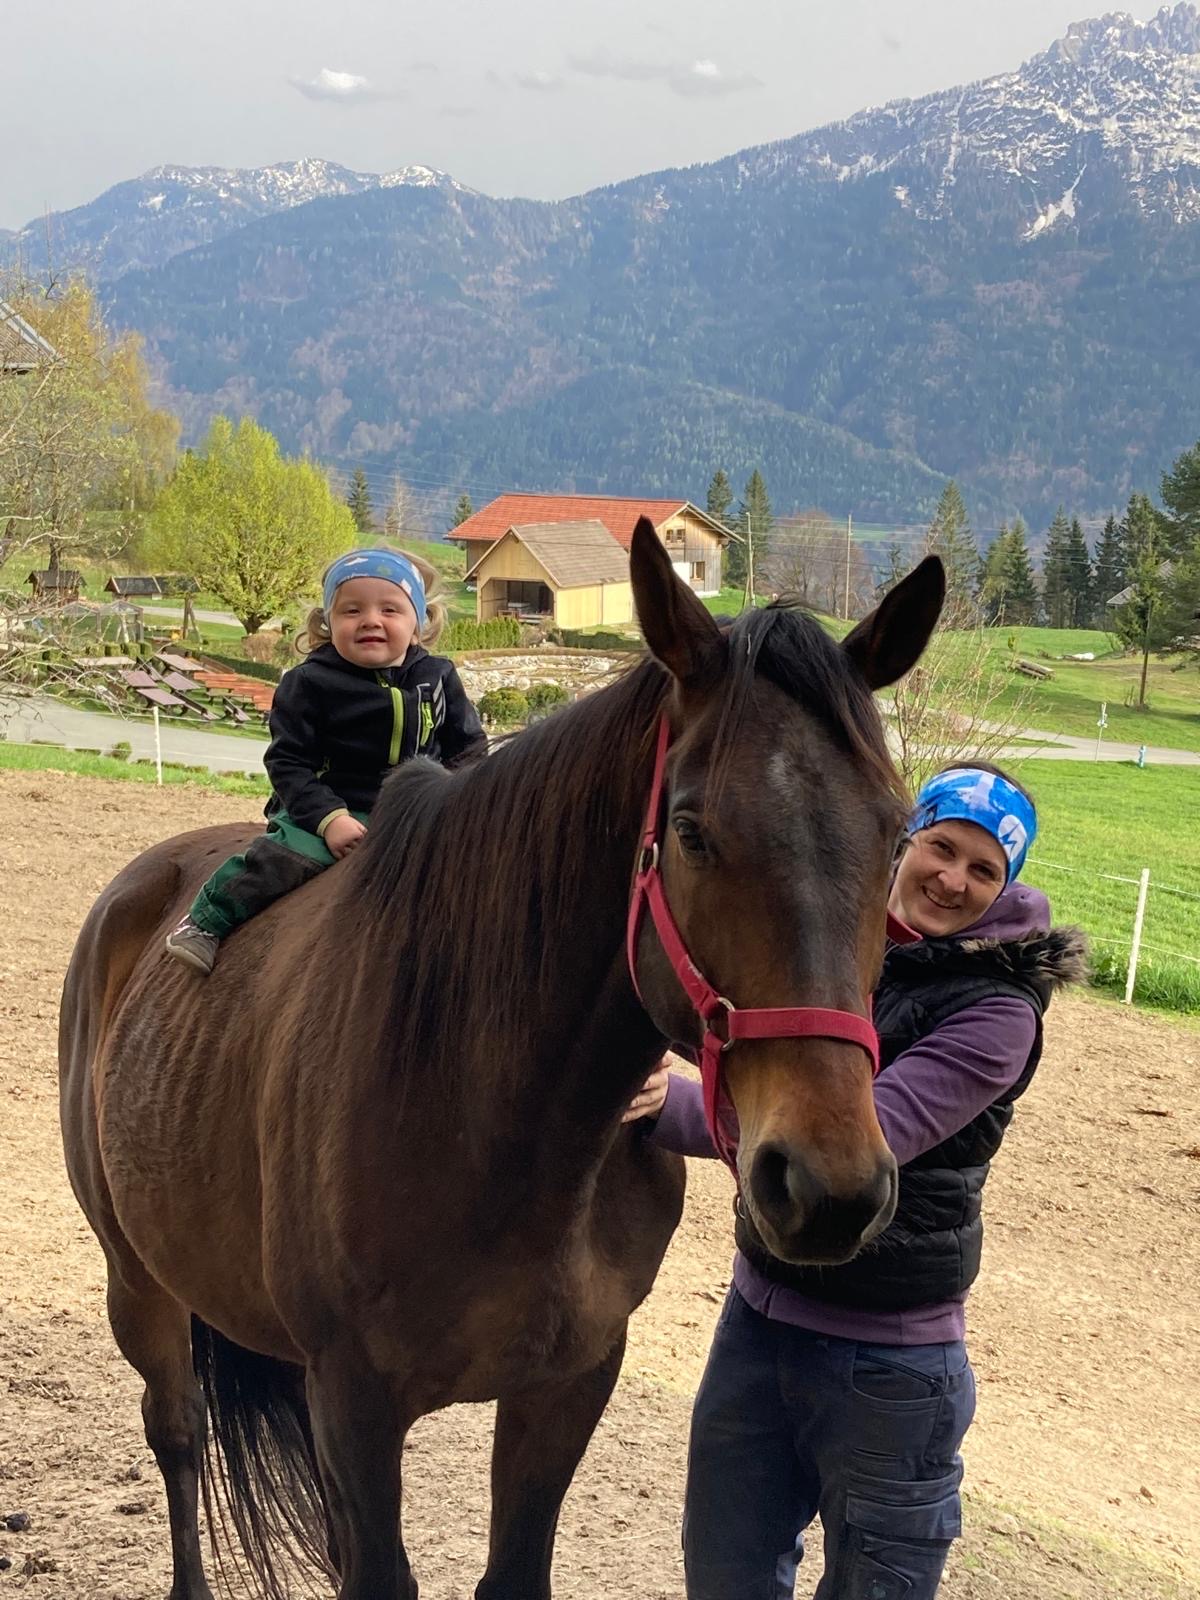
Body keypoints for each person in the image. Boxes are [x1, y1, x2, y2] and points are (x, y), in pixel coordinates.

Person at [629, 762, 1087, 1600]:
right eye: (941, 848)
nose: (952, 879)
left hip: (891, 1365)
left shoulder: (999, 1011)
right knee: (723, 1578)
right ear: (906, 841)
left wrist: (665, 1106)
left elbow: (855, 1141)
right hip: (755, 1326)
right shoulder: (838, 944)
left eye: (984, 869)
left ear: (1007, 886)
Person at [165, 547, 486, 974]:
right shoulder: (309, 682)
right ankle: (206, 920)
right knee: (286, 859)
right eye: (351, 610)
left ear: (418, 625)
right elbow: (288, 763)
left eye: (390, 609)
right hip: (325, 807)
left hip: (419, 810)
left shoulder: (439, 676)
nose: (370, 619)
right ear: (328, 623)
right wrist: (329, 819)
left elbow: (467, 748)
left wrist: (459, 802)